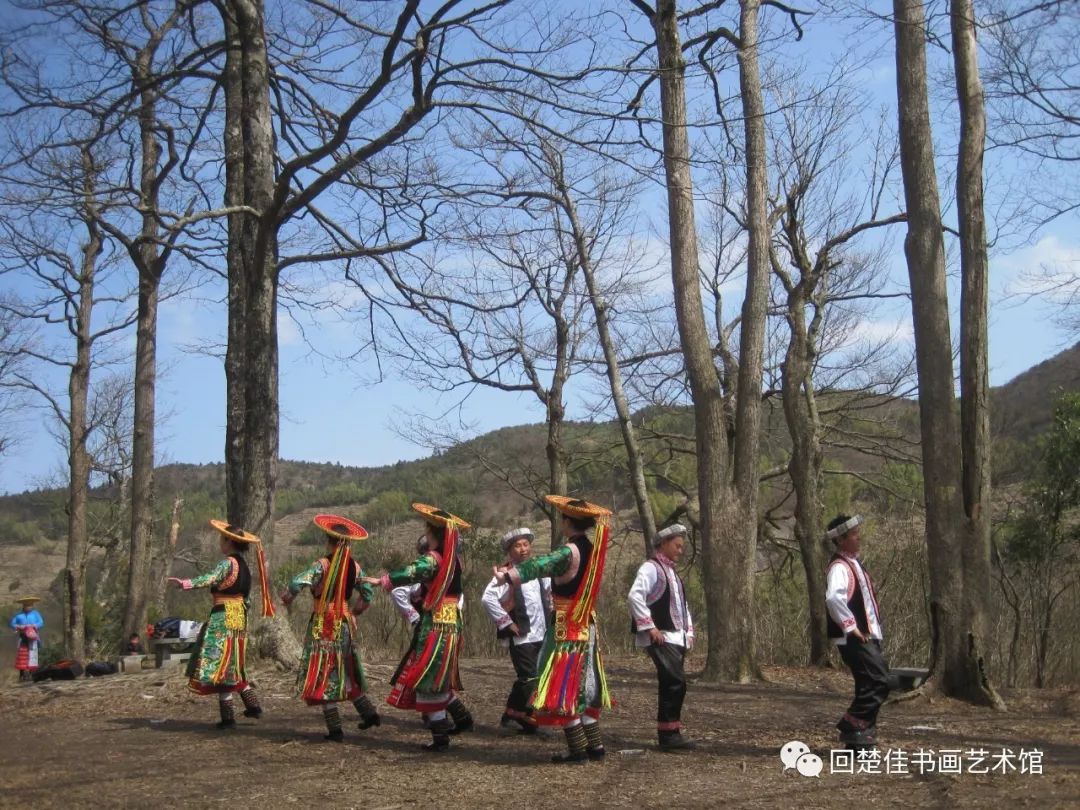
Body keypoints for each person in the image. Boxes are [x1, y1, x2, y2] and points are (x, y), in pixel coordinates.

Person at [491, 495, 614, 764]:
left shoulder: (568, 551)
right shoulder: (593, 549)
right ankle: (595, 746)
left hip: (566, 627)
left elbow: (539, 565)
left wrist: (508, 575)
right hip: (587, 625)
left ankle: (577, 749)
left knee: (564, 683)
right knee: (588, 682)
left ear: (567, 521)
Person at [364, 503, 474, 751]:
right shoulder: (454, 561)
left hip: (435, 626)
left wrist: (384, 580)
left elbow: (412, 571)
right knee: (437, 677)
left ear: (432, 533)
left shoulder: (434, 560)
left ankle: (441, 739)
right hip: (452, 624)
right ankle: (461, 720)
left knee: (428, 680)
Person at [281, 514, 381, 741]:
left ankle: (335, 730)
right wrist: (354, 612)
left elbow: (299, 581)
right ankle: (369, 713)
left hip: (323, 623)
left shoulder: (322, 565)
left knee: (324, 674)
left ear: (329, 540)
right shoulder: (355, 567)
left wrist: (288, 597)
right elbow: (367, 594)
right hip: (344, 623)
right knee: (345, 669)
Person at [168, 520, 275, 729]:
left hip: (224, 614)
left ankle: (230, 718)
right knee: (231, 660)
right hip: (238, 614)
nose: (220, 542)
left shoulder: (228, 563)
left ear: (229, 542)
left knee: (220, 662)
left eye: (222, 538)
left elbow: (211, 578)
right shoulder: (244, 566)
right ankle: (251, 708)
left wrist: (187, 583)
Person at [628, 523, 696, 751]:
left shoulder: (672, 572)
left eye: (681, 546)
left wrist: (688, 632)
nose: (680, 550)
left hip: (675, 637)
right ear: (664, 544)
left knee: (674, 683)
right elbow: (635, 596)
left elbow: (681, 605)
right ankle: (668, 736)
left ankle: (670, 732)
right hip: (661, 636)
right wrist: (649, 626)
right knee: (674, 682)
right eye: (676, 546)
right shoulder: (650, 568)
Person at [824, 513, 889, 751]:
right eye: (854, 535)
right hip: (853, 637)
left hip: (867, 633)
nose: (859, 538)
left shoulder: (854, 563)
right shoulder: (839, 567)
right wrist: (851, 626)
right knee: (879, 679)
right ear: (841, 540)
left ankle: (861, 743)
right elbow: (833, 598)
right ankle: (852, 723)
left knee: (867, 684)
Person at [481, 527, 551, 734]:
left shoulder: (538, 571)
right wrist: (506, 623)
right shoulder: (504, 574)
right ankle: (512, 713)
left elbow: (549, 593)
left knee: (540, 676)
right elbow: (487, 598)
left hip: (542, 631)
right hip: (522, 634)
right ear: (510, 550)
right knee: (528, 676)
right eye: (518, 546)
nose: (523, 549)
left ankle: (525, 716)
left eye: (526, 544)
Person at [10, 596, 44, 682]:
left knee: (32, 655)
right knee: (22, 655)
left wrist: (34, 625)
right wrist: (18, 626)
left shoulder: (35, 614)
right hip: (23, 637)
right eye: (27, 605)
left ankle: (32, 674)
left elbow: (41, 622)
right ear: (23, 606)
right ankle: (21, 675)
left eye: (30, 605)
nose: (28, 607)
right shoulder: (19, 615)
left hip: (33, 637)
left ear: (32, 606)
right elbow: (12, 623)